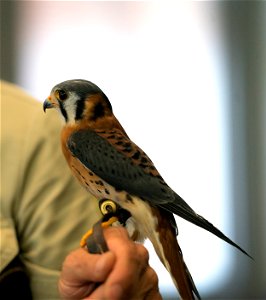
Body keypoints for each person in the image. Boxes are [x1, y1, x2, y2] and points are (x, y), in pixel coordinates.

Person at [0, 80, 161, 299]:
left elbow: (85, 274)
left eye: (61, 96)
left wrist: (118, 270)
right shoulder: (67, 136)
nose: (50, 102)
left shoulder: (34, 133)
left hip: (148, 210)